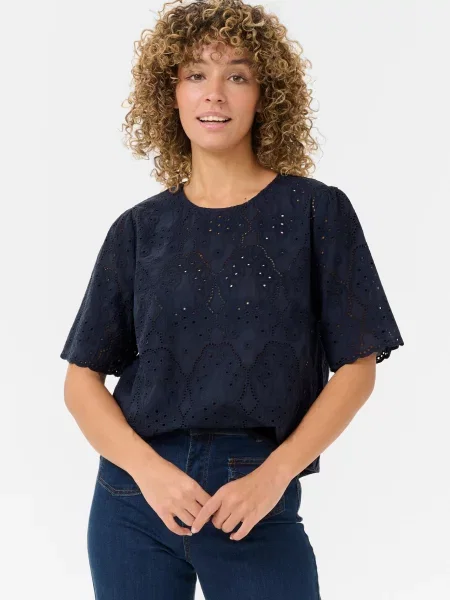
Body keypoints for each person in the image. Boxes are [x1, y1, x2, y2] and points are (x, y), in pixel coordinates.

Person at [60, 1, 404, 598]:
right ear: (170, 93)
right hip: (133, 500)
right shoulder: (139, 229)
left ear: (265, 94)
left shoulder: (315, 212)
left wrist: (275, 475)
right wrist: (149, 473)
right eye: (196, 74)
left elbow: (358, 365)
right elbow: (81, 380)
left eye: (237, 76)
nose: (214, 94)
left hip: (253, 498)